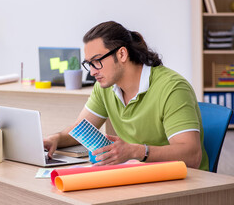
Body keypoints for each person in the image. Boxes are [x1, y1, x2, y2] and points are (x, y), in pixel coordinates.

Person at [44, 21, 209, 170]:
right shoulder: (105, 87)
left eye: (97, 61)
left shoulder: (172, 88)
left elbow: (192, 156)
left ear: (122, 54)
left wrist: (135, 151)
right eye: (89, 64)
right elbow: (80, 129)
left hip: (181, 183)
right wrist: (56, 139)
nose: (93, 71)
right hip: (136, 176)